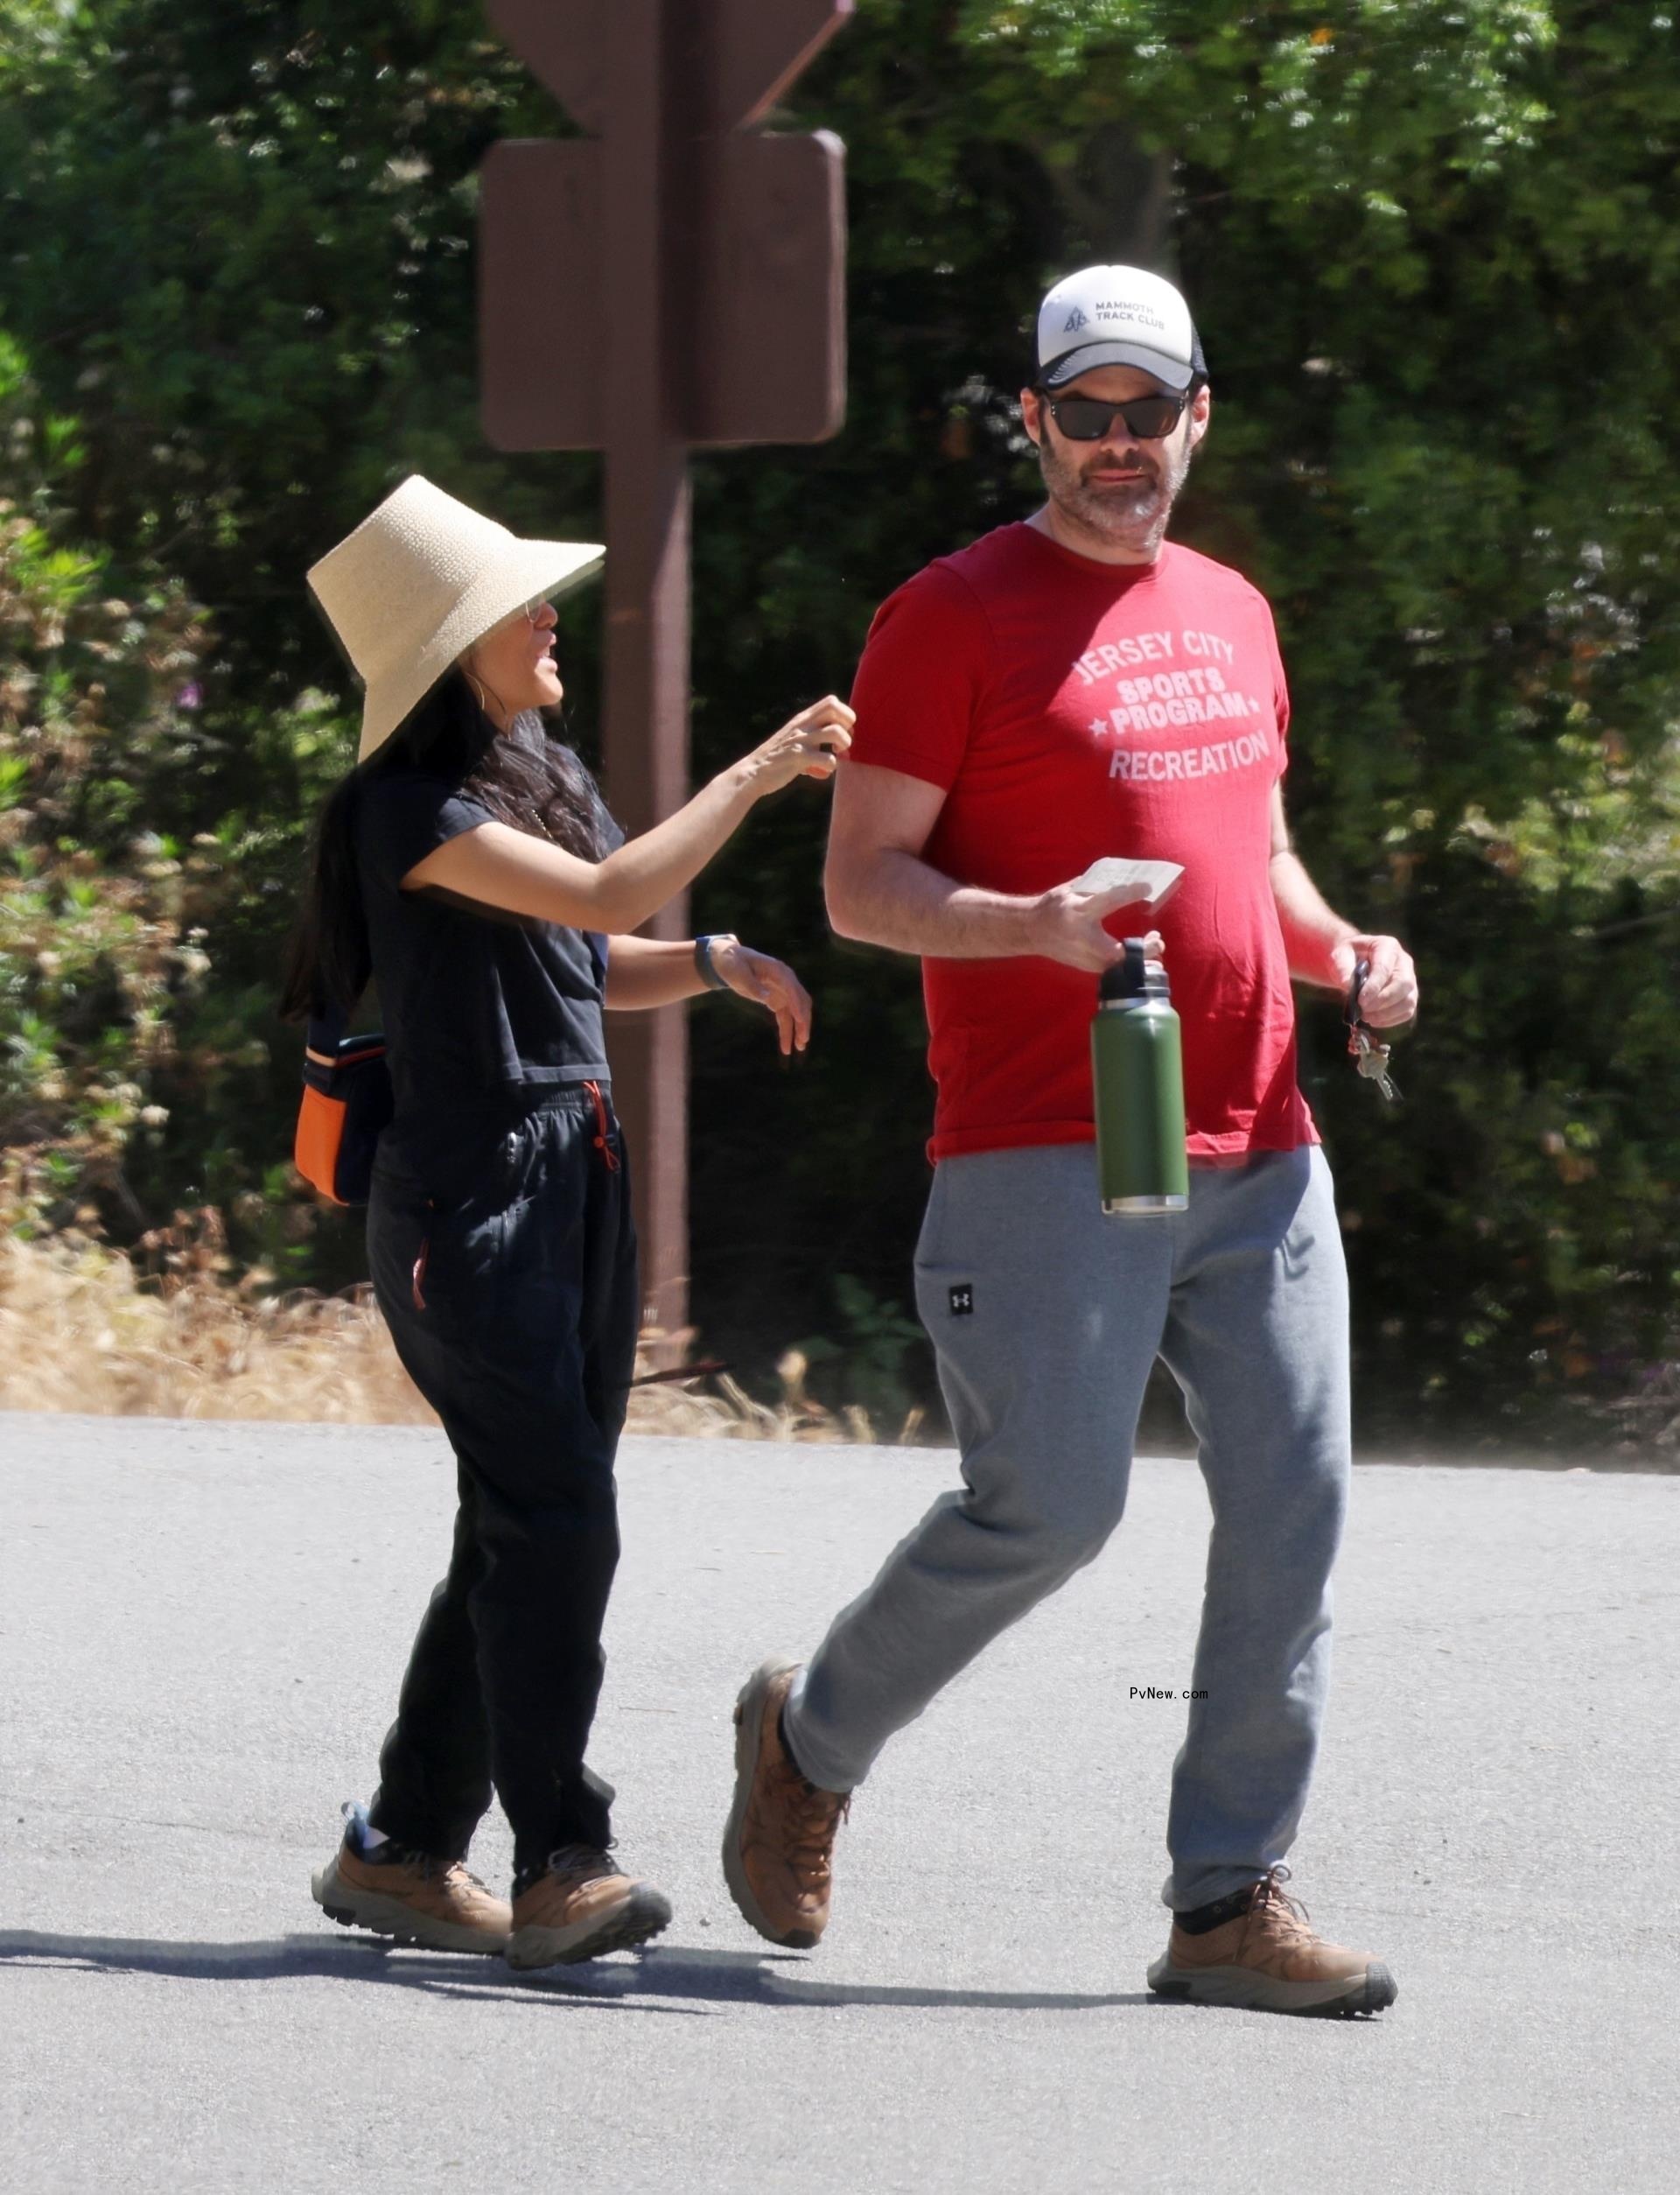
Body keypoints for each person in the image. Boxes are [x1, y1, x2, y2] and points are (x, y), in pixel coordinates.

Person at [722, 267, 1415, 2016]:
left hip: (1262, 1138)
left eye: (1148, 412)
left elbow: (1254, 854)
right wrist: (1025, 920)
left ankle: (1225, 1901)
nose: (1119, 446)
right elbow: (862, 886)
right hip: (1051, 1138)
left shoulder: (1236, 612)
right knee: (1051, 1509)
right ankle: (808, 1742)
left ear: (1199, 415)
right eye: (1083, 413)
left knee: (1296, 1507)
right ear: (1034, 419)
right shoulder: (950, 617)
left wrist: (1349, 955)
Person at [283, 474, 852, 1970]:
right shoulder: (411, 809)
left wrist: (713, 960)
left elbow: (593, 972)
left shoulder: (533, 772)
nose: (549, 619)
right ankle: (561, 1859)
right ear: (448, 652)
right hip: (469, 1206)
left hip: (571, 1177)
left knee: (518, 1521)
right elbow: (610, 896)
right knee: (557, 1519)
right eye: (518, 607)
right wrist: (760, 771)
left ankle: (404, 1848)